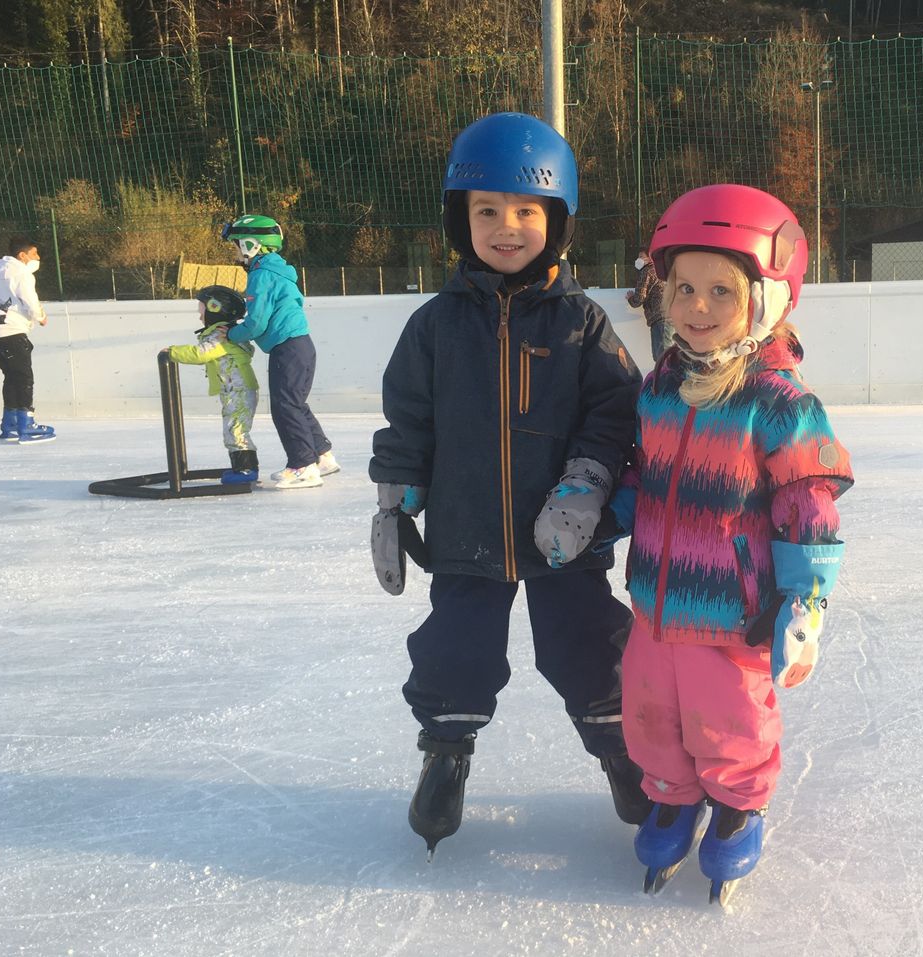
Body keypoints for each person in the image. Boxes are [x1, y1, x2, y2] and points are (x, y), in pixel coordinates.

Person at [368, 112, 648, 859]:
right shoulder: (434, 326)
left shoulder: (583, 324)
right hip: (465, 530)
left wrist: (586, 485)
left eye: (526, 211)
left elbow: (616, 413)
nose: (506, 227)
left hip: (564, 536)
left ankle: (624, 755)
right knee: (453, 651)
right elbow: (407, 416)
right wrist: (395, 500)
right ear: (459, 219)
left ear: (557, 220)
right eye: (486, 210)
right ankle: (445, 755)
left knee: (589, 647)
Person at [608, 184, 854, 902]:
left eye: (722, 290)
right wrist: (599, 514)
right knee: (650, 712)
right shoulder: (661, 386)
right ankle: (672, 794)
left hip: (731, 611)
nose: (698, 306)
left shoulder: (778, 402)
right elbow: (645, 475)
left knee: (730, 720)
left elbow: (809, 504)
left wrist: (806, 602)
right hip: (655, 603)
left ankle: (739, 801)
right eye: (683, 287)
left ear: (765, 300)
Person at [220, 214, 338, 489]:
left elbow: (257, 322)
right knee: (295, 403)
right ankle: (322, 457)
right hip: (300, 346)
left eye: (237, 245)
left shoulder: (261, 275)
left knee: (285, 407)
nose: (235, 251)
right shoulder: (276, 270)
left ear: (251, 245)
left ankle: (303, 466)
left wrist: (232, 334)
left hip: (287, 348)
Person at [163, 286, 260, 484]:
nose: (200, 316)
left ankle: (246, 470)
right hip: (235, 389)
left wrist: (172, 352)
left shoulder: (220, 334)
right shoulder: (224, 332)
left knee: (235, 430)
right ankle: (243, 468)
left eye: (202, 311)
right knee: (234, 429)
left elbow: (201, 354)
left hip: (238, 390)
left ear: (215, 309)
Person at [0, 237, 55, 443]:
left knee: (11, 376)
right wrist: (40, 316)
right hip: (12, 329)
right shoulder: (21, 273)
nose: (38, 258)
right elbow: (29, 299)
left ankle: (10, 423)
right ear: (22, 255)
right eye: (34, 253)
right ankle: (26, 424)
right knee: (24, 377)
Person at [627, 248, 672, 363]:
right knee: (668, 356)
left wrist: (630, 298)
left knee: (661, 358)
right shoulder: (663, 270)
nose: (638, 260)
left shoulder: (647, 271)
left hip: (659, 318)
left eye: (641, 257)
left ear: (650, 258)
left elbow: (638, 299)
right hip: (670, 317)